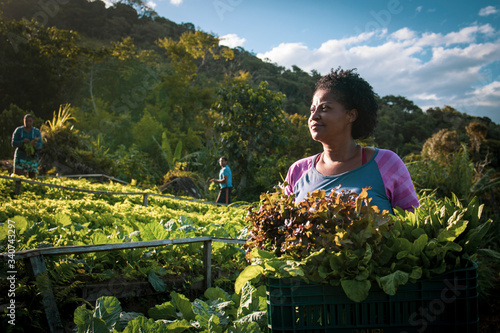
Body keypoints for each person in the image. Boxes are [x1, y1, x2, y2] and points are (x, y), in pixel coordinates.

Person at [285, 68, 419, 213]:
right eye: (312, 110)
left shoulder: (386, 162)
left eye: (325, 108)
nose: (314, 116)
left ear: (351, 115)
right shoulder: (298, 171)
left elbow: (411, 222)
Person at [11, 114, 43, 178]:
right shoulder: (19, 130)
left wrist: (34, 144)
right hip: (21, 157)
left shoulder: (36, 131)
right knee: (18, 176)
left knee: (32, 177)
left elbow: (40, 145)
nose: (28, 123)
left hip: (32, 158)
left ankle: (31, 187)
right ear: (23, 121)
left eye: (30, 121)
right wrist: (22, 142)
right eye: (26, 121)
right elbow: (13, 143)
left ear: (32, 121)